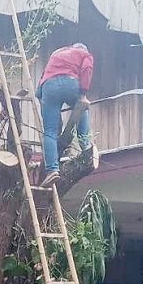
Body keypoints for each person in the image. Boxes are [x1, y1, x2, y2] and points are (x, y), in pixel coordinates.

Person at [37, 42, 94, 188]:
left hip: (49, 86)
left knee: (49, 132)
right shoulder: (84, 54)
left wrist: (44, 101)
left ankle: (52, 170)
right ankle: (85, 144)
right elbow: (87, 69)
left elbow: (41, 83)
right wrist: (83, 94)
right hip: (70, 83)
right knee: (82, 107)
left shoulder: (57, 53)